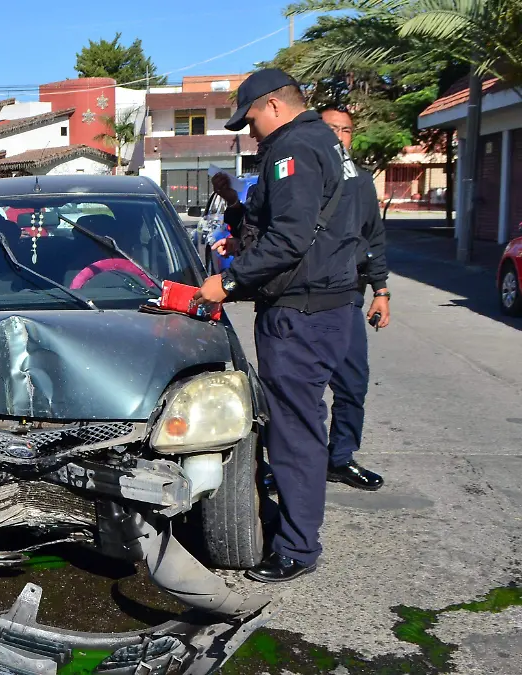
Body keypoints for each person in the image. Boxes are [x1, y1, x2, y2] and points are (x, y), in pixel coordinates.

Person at [195, 69, 361, 583]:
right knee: (296, 425)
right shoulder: (323, 144)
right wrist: (240, 229)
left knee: (293, 433)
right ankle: (296, 529)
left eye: (250, 121)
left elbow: (290, 238)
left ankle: (296, 547)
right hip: (322, 307)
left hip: (301, 314)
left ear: (272, 106)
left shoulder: (294, 151)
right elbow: (301, 229)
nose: (251, 133)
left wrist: (228, 281)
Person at [318, 107, 389, 491]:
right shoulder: (302, 177)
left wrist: (381, 291)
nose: (340, 137)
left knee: (352, 384)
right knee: (301, 392)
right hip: (301, 300)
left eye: (346, 131)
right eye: (332, 129)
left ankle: (340, 458)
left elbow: (373, 238)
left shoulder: (361, 183)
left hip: (347, 299)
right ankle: (289, 464)